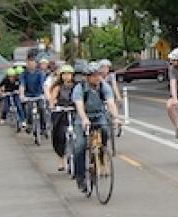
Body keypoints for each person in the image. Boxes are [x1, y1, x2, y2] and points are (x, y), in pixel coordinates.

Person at [72, 62, 122, 192]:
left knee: (105, 129)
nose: (97, 78)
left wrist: (116, 117)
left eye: (98, 75)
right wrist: (84, 119)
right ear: (87, 77)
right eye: (94, 75)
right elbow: (79, 106)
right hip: (82, 118)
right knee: (80, 146)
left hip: (99, 115)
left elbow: (110, 103)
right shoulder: (80, 88)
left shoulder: (104, 86)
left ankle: (101, 153)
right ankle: (80, 178)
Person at [47, 64, 78, 172]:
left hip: (74, 112)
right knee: (59, 136)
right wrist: (52, 105)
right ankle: (61, 158)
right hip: (61, 113)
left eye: (69, 74)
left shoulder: (77, 86)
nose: (66, 76)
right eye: (64, 74)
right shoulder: (57, 87)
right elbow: (52, 99)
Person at [20, 57, 50, 132]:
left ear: (35, 64)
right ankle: (29, 124)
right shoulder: (23, 74)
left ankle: (43, 128)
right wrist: (22, 95)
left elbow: (43, 84)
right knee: (28, 109)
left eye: (32, 64)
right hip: (28, 96)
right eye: (29, 64)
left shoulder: (40, 73)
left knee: (42, 108)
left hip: (38, 95)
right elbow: (22, 85)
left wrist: (47, 95)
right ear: (27, 64)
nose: (31, 65)